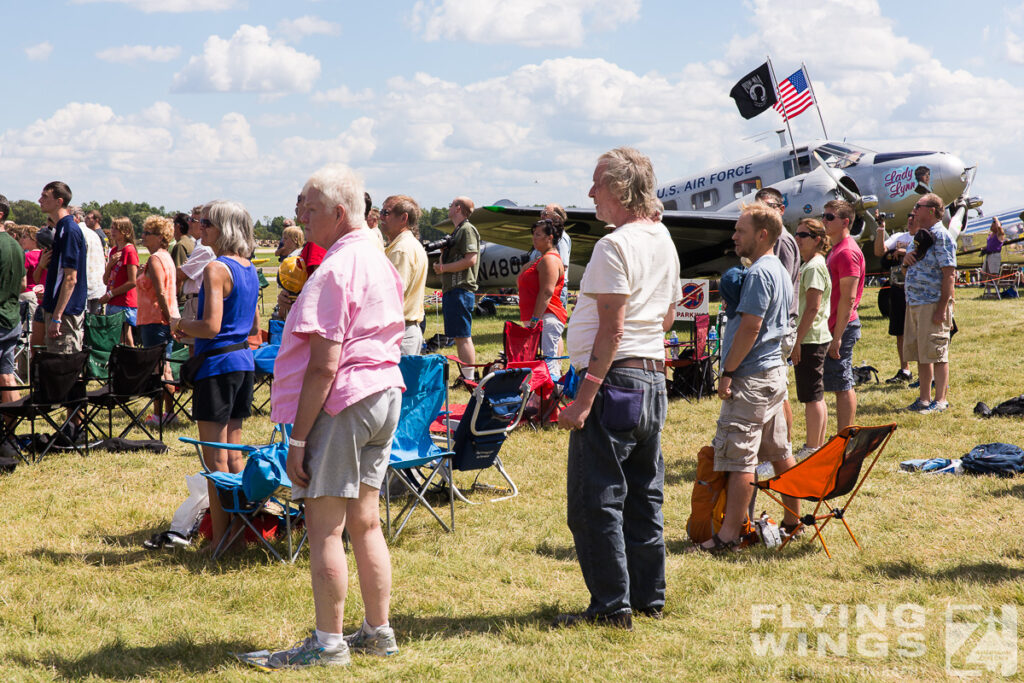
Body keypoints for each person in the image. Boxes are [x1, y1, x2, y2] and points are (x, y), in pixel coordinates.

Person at [261, 165, 404, 669]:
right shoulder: (379, 259)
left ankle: (327, 644)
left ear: (340, 214)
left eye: (310, 208)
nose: (301, 215)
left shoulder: (336, 268)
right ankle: (378, 630)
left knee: (324, 527)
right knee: (366, 522)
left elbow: (324, 364)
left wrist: (298, 441)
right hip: (384, 393)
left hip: (343, 402)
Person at [555, 147, 681, 630]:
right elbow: (669, 314)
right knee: (644, 494)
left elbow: (611, 328)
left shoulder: (614, 246)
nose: (590, 193)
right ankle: (649, 597)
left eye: (597, 184)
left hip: (615, 382)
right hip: (651, 378)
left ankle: (611, 607)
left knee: (596, 500)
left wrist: (584, 398)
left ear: (621, 189)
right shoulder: (663, 239)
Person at [691, 203, 800, 553]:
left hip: (751, 378)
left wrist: (727, 372)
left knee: (740, 461)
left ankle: (728, 538)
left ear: (762, 234)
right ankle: (792, 522)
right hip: (773, 377)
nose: (734, 236)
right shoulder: (780, 270)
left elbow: (751, 326)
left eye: (740, 230)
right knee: (781, 453)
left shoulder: (758, 274)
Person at [171, 200, 258, 548]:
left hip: (217, 365)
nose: (199, 227)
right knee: (234, 455)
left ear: (224, 228)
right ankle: (241, 531)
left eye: (206, 223)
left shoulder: (216, 268)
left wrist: (180, 324)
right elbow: (251, 325)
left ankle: (221, 540)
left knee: (214, 458)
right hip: (243, 363)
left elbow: (209, 326)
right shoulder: (249, 267)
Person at [903, 193, 956, 413]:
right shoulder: (920, 235)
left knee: (937, 353)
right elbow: (910, 265)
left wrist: (942, 308)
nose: (914, 210)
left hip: (933, 303)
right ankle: (924, 399)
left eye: (918, 206)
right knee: (922, 353)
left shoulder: (941, 236)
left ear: (931, 210)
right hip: (915, 303)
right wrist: (905, 262)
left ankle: (940, 400)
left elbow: (949, 274)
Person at [755, 187, 799, 443]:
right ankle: (780, 449)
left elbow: (777, 286)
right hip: (779, 324)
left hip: (779, 324)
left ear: (781, 209)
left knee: (777, 392)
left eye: (769, 207)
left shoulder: (780, 239)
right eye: (759, 207)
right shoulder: (776, 236)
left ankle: (783, 449)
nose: (763, 212)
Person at [821, 199, 865, 431]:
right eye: (824, 216)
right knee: (839, 381)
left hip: (842, 325)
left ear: (845, 222)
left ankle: (845, 435)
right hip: (836, 324)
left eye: (830, 217)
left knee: (842, 381)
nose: (824, 221)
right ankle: (844, 434)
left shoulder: (847, 252)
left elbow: (848, 298)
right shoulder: (836, 249)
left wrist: (837, 336)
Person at [790, 218, 831, 459]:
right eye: (796, 233)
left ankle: (812, 447)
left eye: (803, 234)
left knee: (811, 396)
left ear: (817, 239)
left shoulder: (814, 266)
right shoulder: (811, 264)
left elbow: (812, 307)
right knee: (814, 394)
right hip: (813, 335)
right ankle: (817, 444)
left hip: (810, 337)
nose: (797, 238)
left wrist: (797, 340)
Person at [433, 196, 480, 383]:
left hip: (461, 288)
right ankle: (466, 375)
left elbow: (471, 260)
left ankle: (469, 377)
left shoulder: (467, 230)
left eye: (451, 205)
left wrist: (444, 269)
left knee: (463, 336)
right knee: (459, 336)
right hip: (453, 289)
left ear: (458, 208)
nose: (449, 207)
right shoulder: (458, 231)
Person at [136, 215, 178, 426]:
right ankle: (168, 412)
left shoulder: (155, 259)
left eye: (147, 233)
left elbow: (160, 291)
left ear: (160, 237)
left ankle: (160, 414)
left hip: (154, 320)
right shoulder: (166, 257)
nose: (142, 236)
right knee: (165, 367)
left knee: (157, 370)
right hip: (162, 319)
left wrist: (165, 315)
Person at [38, 181, 88, 354]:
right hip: (58, 310)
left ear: (59, 201)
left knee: (62, 366)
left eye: (45, 196)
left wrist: (57, 317)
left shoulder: (69, 230)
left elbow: (70, 277)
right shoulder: (61, 228)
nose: (40, 200)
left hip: (65, 314)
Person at [517, 217, 568, 380]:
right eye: (533, 234)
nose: (534, 238)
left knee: (548, 363)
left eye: (538, 235)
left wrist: (535, 319)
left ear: (550, 238)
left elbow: (546, 292)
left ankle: (550, 398)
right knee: (541, 363)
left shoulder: (550, 259)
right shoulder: (542, 258)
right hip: (540, 317)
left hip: (546, 316)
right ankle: (542, 398)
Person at [381, 194, 428, 355]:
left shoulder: (401, 250)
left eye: (386, 212)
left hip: (399, 334)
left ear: (403, 218)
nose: (381, 216)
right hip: (404, 331)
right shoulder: (406, 245)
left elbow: (391, 296)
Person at [874, 211, 917, 383]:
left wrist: (903, 251)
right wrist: (880, 228)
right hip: (898, 289)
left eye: (913, 217)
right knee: (900, 331)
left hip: (917, 291)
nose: (910, 220)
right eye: (909, 218)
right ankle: (904, 370)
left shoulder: (923, 236)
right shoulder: (900, 236)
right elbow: (879, 251)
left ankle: (927, 373)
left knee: (919, 332)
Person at [177, 206, 215, 348]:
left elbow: (182, 273)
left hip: (197, 301)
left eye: (192, 220)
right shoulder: (199, 245)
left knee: (195, 348)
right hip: (194, 300)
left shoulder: (204, 248)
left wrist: (183, 268)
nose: (189, 223)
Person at [0, 197, 25, 405]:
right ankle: (10, 434)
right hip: (12, 317)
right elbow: (23, 283)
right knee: (7, 375)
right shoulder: (16, 245)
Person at [101, 217, 139, 346]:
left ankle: (133, 362)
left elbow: (132, 281)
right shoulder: (113, 251)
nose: (113, 231)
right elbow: (106, 280)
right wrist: (109, 265)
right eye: (112, 227)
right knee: (116, 338)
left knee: (125, 337)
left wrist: (110, 294)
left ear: (126, 231)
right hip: (112, 301)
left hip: (124, 302)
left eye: (117, 228)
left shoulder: (129, 250)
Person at [170, 213, 194, 307]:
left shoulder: (180, 245)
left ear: (178, 226)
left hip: (181, 300)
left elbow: (178, 276)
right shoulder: (191, 242)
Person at [981, 217, 1005, 298]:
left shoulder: (1000, 234)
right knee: (986, 273)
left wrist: (996, 219)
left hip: (995, 255)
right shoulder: (990, 235)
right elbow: (990, 245)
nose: (992, 225)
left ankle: (997, 291)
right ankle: (988, 292)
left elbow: (999, 228)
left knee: (994, 274)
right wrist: (984, 249)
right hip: (988, 255)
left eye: (993, 224)